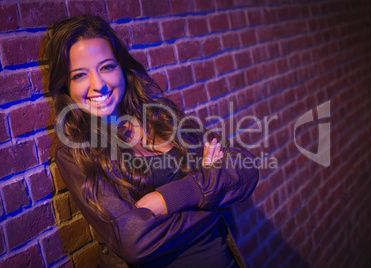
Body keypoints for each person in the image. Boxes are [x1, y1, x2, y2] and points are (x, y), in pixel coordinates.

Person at [46, 15, 259, 268]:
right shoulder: (76, 152)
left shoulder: (160, 117)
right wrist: (214, 198)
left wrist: (168, 199)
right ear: (66, 86)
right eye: (80, 75)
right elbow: (136, 241)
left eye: (106, 67)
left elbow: (244, 166)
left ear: (122, 68)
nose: (98, 85)